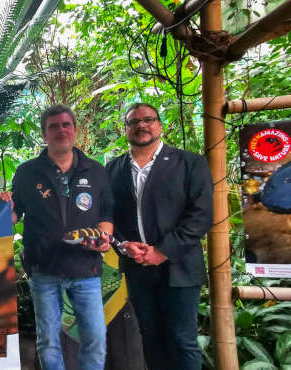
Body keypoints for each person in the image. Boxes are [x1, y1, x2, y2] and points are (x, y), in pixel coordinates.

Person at [107, 102, 213, 370]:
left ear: (160, 125)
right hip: (137, 267)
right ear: (126, 129)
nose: (141, 125)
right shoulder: (112, 169)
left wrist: (161, 251)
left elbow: (201, 216)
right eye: (134, 121)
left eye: (148, 119)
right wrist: (124, 246)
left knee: (182, 340)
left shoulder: (190, 163)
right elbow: (107, 216)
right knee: (150, 338)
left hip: (179, 267)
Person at [11, 105, 112, 370]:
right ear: (44, 134)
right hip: (44, 268)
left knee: (95, 338)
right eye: (54, 126)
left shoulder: (96, 170)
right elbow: (12, 214)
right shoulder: (26, 172)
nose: (61, 131)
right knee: (48, 341)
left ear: (75, 131)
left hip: (85, 266)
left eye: (66, 125)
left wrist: (105, 239)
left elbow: (106, 214)